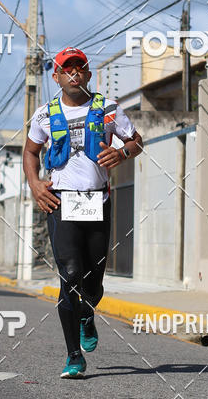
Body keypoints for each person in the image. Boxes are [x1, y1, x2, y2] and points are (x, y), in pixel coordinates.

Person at [23, 47, 143, 378]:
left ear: (88, 75)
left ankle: (87, 313)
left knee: (93, 282)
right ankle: (73, 356)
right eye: (67, 69)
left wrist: (122, 154)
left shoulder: (107, 109)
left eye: (80, 68)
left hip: (97, 202)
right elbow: (31, 152)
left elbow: (136, 141)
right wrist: (35, 185)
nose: (74, 74)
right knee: (71, 274)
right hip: (60, 202)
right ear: (57, 76)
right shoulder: (44, 115)